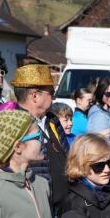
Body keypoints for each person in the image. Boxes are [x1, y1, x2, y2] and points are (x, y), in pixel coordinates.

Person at [10, 64, 69, 208]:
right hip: (38, 205)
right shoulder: (14, 125)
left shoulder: (52, 119)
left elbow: (66, 152)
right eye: (51, 92)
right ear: (35, 96)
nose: (54, 97)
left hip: (65, 203)